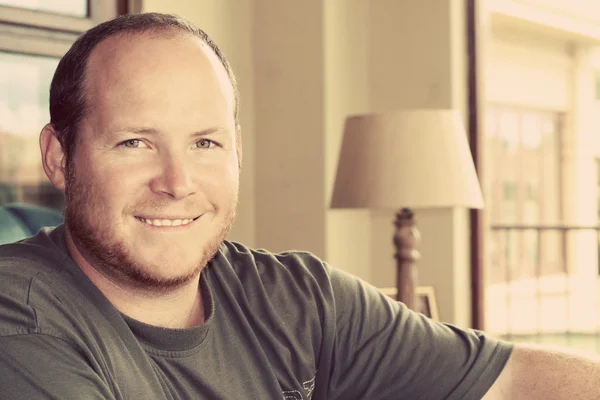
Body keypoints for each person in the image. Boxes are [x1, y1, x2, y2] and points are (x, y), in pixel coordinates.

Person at [0, 12, 597, 400]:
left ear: (238, 153)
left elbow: (514, 383)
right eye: (136, 143)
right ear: (59, 156)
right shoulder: (20, 321)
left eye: (205, 143)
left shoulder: (298, 299)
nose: (177, 181)